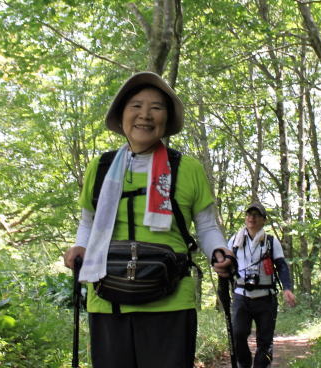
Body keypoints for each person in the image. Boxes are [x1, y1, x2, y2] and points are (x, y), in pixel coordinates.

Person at [63, 71, 233, 368]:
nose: (145, 115)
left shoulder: (187, 168)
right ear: (122, 116)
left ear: (166, 119)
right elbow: (88, 221)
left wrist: (219, 252)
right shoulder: (100, 167)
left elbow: (206, 225)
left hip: (171, 299)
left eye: (156, 107)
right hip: (106, 297)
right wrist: (80, 246)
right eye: (136, 106)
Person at [227, 202, 296, 368]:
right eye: (249, 214)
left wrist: (287, 288)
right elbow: (226, 266)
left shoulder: (271, 242)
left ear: (263, 220)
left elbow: (281, 266)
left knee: (265, 341)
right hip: (241, 296)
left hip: (266, 298)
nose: (252, 218)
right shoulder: (234, 241)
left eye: (256, 215)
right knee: (238, 334)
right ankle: (244, 364)